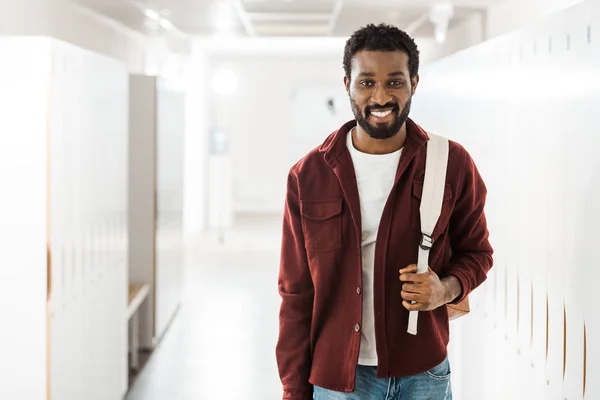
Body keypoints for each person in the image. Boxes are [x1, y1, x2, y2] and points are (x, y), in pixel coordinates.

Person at [275, 23, 493, 400]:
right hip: (338, 381)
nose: (380, 96)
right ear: (347, 85)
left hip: (423, 373)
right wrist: (294, 392)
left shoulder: (450, 163)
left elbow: (478, 253)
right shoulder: (308, 175)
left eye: (394, 82)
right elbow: (296, 295)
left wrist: (444, 288)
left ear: (414, 83)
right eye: (366, 83)